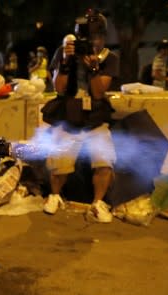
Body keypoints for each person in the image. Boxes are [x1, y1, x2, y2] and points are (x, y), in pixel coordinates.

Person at [42, 10, 119, 223]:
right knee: (59, 164)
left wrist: (93, 68)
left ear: (102, 37)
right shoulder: (64, 53)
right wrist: (67, 62)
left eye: (94, 37)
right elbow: (59, 87)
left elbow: (98, 92)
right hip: (68, 119)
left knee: (104, 162)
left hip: (95, 120)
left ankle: (98, 202)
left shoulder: (109, 59)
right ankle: (55, 195)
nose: (90, 42)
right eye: (85, 38)